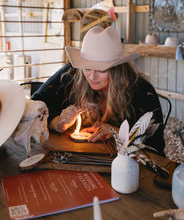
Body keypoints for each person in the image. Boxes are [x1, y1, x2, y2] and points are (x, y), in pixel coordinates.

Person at [32, 26, 165, 154]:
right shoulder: (72, 73)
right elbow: (35, 104)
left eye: (101, 69)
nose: (92, 76)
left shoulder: (142, 92)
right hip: (77, 156)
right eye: (87, 68)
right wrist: (56, 122)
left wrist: (118, 132)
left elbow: (156, 146)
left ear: (116, 69)